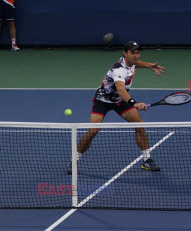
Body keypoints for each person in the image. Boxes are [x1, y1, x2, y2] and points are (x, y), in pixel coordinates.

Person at [67, 41, 166, 174]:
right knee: (93, 131)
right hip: (103, 100)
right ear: (125, 53)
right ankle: (75, 160)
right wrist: (134, 103)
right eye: (133, 53)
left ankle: (146, 160)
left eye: (138, 53)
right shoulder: (119, 69)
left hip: (120, 101)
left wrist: (149, 66)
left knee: (139, 125)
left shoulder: (130, 62)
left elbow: (136, 64)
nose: (136, 56)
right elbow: (120, 89)